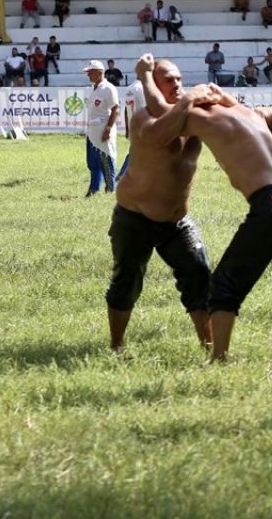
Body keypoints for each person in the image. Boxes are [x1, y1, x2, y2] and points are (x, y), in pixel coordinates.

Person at [137, 64, 272, 364]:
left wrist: (146, 76)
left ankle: (219, 359)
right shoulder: (248, 114)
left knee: (223, 285)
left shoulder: (202, 116)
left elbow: (163, 115)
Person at [107, 56, 216, 351]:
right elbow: (165, 128)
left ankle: (211, 348)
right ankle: (116, 346)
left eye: (180, 79)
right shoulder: (143, 118)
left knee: (199, 273)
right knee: (126, 281)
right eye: (169, 79)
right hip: (134, 217)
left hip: (175, 222)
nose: (178, 84)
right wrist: (144, 77)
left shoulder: (193, 115)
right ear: (153, 84)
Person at [83, 60, 119, 197]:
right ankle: (94, 188)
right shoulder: (93, 88)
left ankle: (111, 189)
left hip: (103, 130)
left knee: (106, 160)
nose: (88, 76)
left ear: (99, 73)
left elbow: (115, 109)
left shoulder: (109, 88)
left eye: (90, 73)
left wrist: (108, 129)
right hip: (92, 131)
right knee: (92, 162)